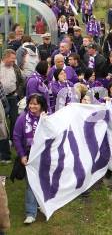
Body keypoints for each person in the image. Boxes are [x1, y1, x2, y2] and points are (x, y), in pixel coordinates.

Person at [13, 94, 48, 224]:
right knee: (31, 183)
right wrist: (22, 155)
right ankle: (30, 213)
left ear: (41, 105)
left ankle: (42, 204)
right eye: (31, 103)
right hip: (29, 155)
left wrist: (46, 121)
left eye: (36, 104)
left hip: (44, 154)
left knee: (43, 181)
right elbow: (16, 137)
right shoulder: (22, 118)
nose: (32, 106)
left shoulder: (46, 118)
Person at [0, 50, 25, 141]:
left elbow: (22, 80)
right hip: (1, 99)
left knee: (14, 119)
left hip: (13, 96)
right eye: (12, 59)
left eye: (14, 59)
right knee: (2, 121)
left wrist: (18, 92)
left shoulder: (15, 67)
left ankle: (13, 139)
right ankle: (3, 140)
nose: (14, 61)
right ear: (5, 57)